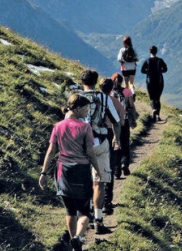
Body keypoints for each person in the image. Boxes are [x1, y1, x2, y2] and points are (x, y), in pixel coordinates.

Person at [39, 95, 100, 251]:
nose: (87, 112)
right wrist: (98, 170)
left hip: (62, 171)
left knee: (70, 210)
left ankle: (74, 244)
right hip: (81, 170)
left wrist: (43, 173)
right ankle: (78, 237)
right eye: (86, 108)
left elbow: (51, 151)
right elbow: (90, 152)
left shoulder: (58, 126)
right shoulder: (85, 127)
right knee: (85, 211)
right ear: (78, 108)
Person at [79, 69, 121, 234]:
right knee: (99, 182)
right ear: (96, 82)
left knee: (84, 181)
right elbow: (116, 121)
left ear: (83, 82)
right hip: (100, 142)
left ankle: (85, 215)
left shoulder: (76, 98)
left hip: (80, 145)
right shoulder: (103, 98)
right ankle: (98, 220)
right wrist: (116, 138)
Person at [99, 77, 127, 216]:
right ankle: (106, 201)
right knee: (108, 167)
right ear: (111, 89)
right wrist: (117, 138)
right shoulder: (114, 101)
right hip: (109, 134)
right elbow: (121, 121)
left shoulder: (93, 100)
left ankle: (93, 202)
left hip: (93, 136)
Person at [111, 72, 137, 178]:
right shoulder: (127, 91)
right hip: (124, 121)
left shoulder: (110, 93)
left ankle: (116, 170)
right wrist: (133, 120)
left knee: (116, 144)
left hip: (113, 122)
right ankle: (124, 164)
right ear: (122, 81)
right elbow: (131, 106)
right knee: (125, 143)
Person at [141, 45, 168, 122]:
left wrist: (148, 72)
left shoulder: (147, 61)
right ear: (156, 52)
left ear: (150, 52)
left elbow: (142, 70)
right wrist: (160, 71)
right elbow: (165, 69)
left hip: (150, 81)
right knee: (158, 98)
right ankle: (158, 116)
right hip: (159, 81)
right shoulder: (160, 60)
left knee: (152, 98)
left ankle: (153, 110)